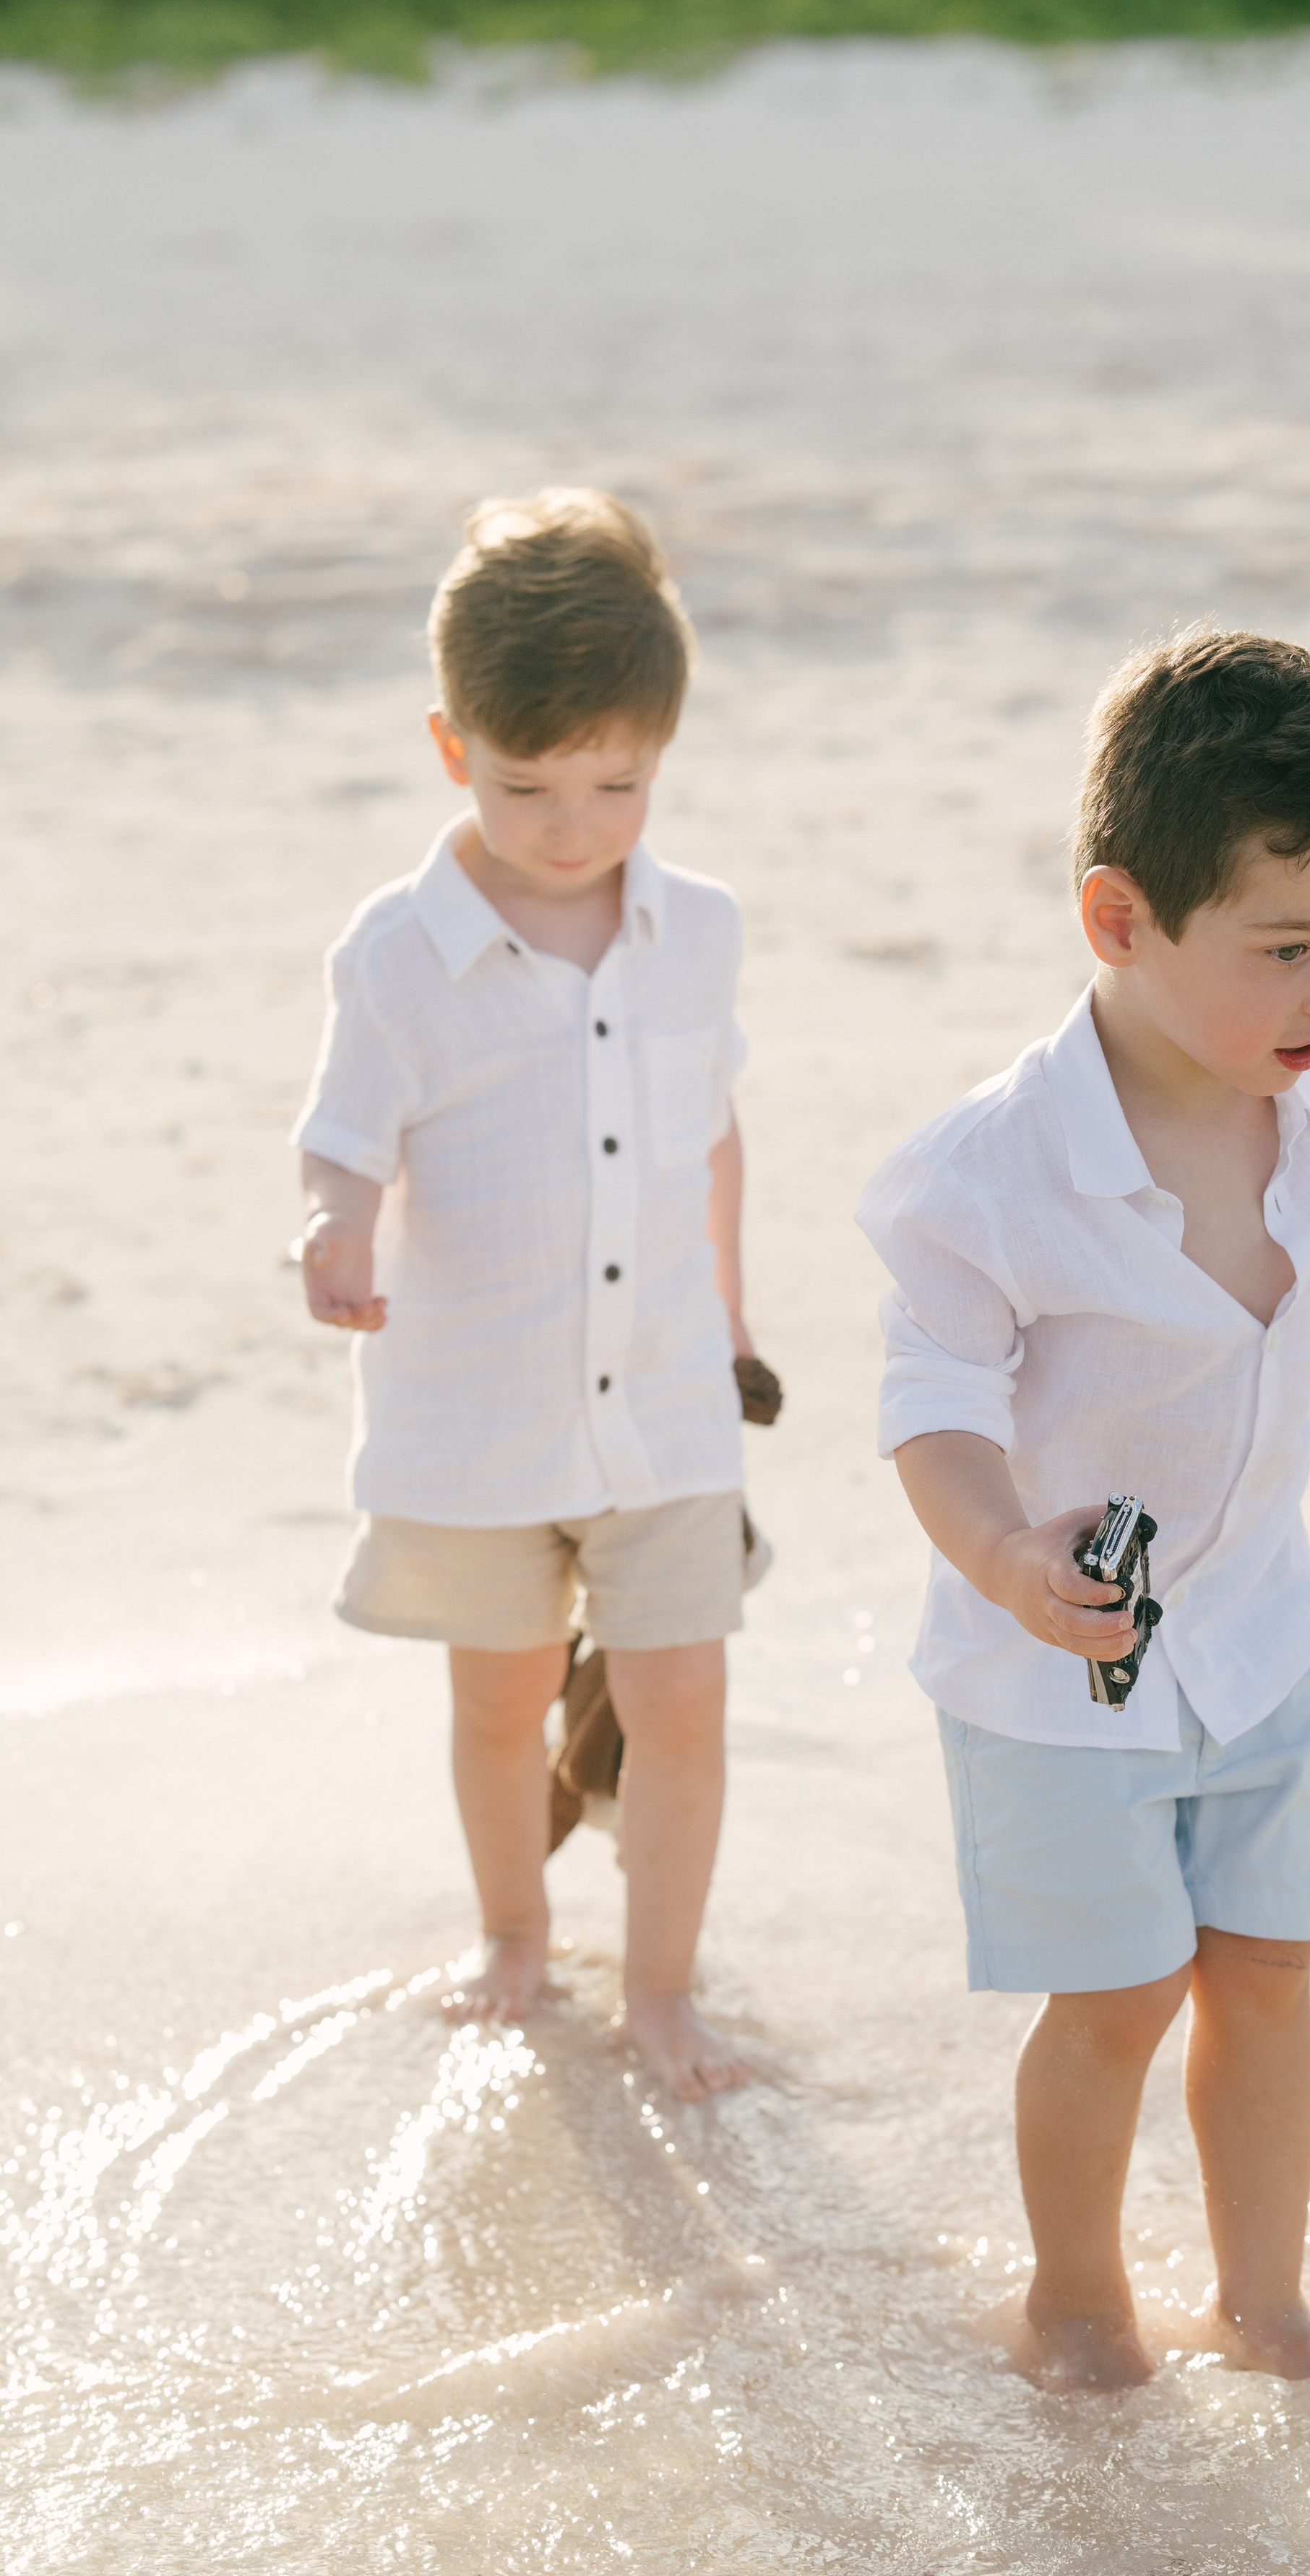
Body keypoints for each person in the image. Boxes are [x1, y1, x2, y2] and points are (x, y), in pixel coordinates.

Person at [858, 628, 1310, 2387]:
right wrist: (999, 1551)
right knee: (1120, 1996)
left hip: (1252, 1637)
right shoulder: (988, 1175)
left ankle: (1264, 2297)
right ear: (1116, 920)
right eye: (1284, 947)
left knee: (1266, 1970)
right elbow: (928, 1402)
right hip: (1062, 1671)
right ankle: (1076, 2295)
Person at [292, 488, 761, 2101]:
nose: (574, 822)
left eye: (618, 783)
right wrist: (332, 1237)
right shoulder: (398, 952)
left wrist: (737, 1318)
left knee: (681, 1696)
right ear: (450, 750)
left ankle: (661, 1990)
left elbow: (712, 1138)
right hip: (477, 1413)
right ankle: (512, 1934)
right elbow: (344, 1137)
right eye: (527, 785)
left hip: (666, 1397)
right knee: (497, 1701)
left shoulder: (696, 929)